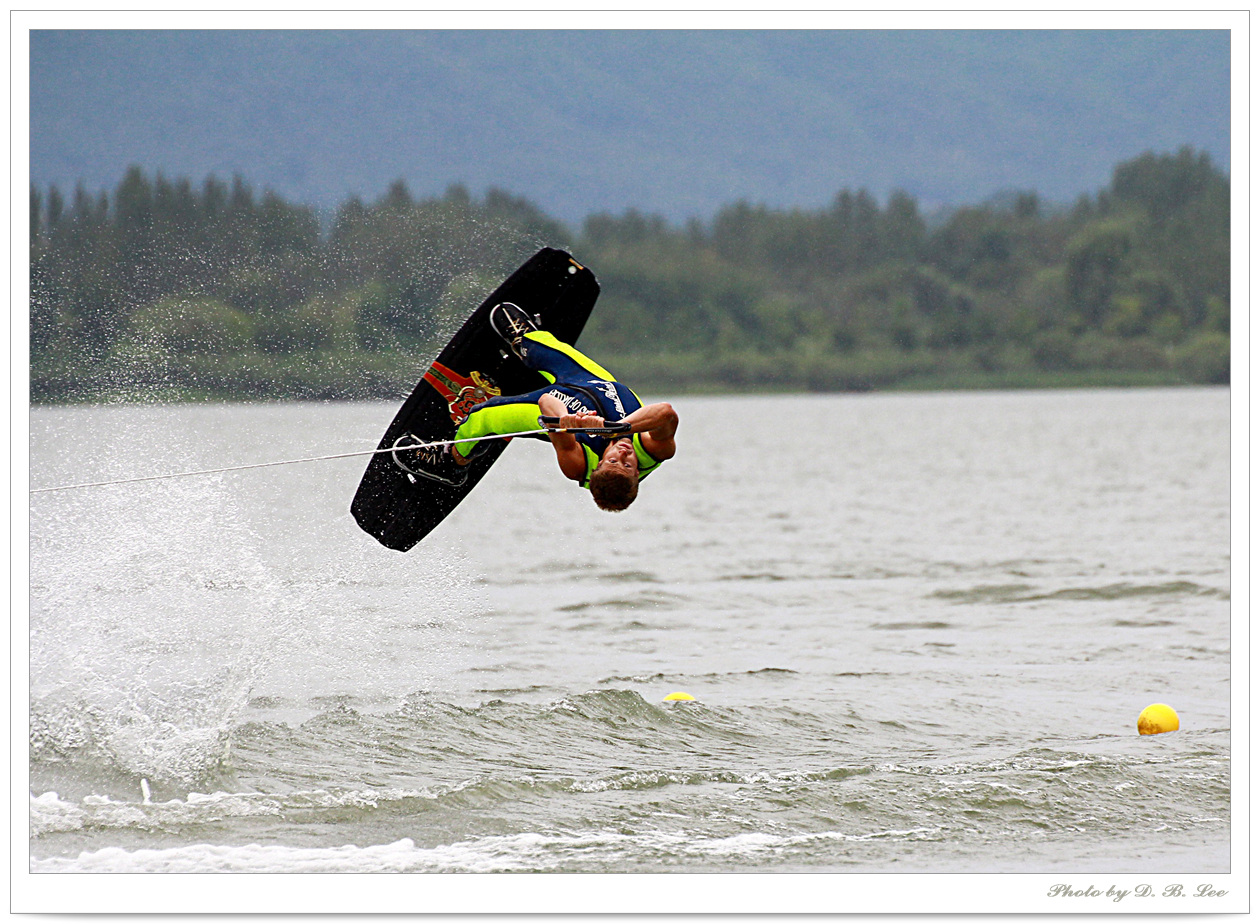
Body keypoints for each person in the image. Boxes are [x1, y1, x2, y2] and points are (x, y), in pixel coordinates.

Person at [449, 302, 677, 511]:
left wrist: (566, 421)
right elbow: (666, 412)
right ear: (636, 473)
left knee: (483, 415)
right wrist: (615, 429)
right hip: (591, 381)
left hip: (557, 403)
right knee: (541, 346)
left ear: (598, 465)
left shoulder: (577, 466)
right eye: (627, 465)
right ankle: (523, 342)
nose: (623, 454)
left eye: (613, 461)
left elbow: (546, 402)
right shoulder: (653, 451)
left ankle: (454, 462)